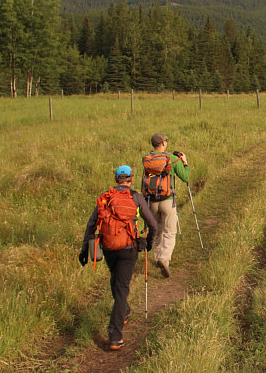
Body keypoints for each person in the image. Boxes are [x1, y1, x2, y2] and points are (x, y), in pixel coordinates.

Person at [80, 165, 157, 350]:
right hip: (129, 248)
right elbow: (153, 224)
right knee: (121, 288)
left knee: (116, 282)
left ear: (116, 180)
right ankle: (115, 335)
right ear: (131, 179)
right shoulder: (136, 197)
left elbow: (92, 225)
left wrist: (84, 250)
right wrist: (148, 243)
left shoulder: (106, 198)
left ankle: (124, 311)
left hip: (108, 247)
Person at [142, 133, 190, 277]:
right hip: (168, 200)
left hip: (152, 202)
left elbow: (143, 181)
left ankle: (157, 258)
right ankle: (164, 258)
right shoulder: (172, 159)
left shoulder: (147, 160)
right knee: (170, 232)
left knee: (157, 230)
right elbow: (185, 177)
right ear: (163, 143)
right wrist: (185, 163)